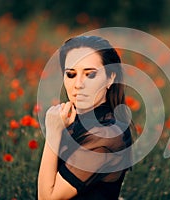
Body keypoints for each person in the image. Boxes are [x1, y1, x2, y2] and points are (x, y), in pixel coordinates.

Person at [37, 36, 133, 200]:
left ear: (110, 78)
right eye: (71, 74)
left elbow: (47, 198)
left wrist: (52, 135)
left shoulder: (105, 136)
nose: (78, 84)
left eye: (90, 74)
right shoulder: (75, 120)